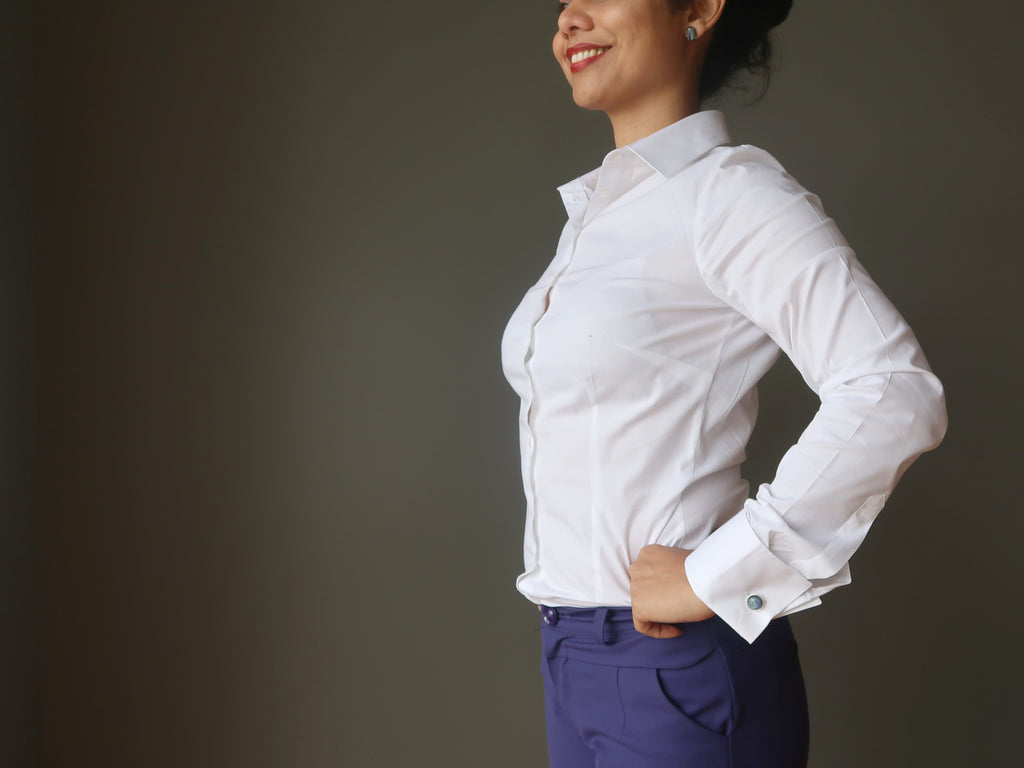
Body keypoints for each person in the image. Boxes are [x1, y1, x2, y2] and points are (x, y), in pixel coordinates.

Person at [500, 1, 948, 766]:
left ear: (700, 9)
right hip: (571, 656)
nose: (569, 19)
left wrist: (722, 573)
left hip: (674, 670)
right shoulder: (596, 219)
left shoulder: (727, 195)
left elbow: (894, 390)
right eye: (561, 2)